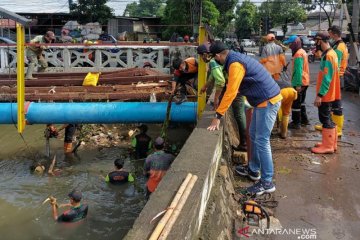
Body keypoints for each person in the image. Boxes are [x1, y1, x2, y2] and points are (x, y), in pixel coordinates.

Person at [208, 41, 282, 196]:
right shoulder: (233, 59)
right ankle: (254, 170)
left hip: (268, 100)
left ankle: (267, 182)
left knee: (262, 140)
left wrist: (218, 116)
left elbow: (231, 92)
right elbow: (229, 86)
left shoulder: (235, 64)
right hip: (262, 100)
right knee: (254, 135)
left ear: (217, 55)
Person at [197, 43, 247, 151]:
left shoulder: (213, 61)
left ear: (206, 54)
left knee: (239, 114)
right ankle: (245, 141)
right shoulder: (215, 61)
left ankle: (244, 143)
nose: (201, 58)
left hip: (234, 86)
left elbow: (220, 81)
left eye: (201, 55)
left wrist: (216, 99)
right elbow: (213, 76)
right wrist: (206, 86)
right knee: (240, 113)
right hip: (234, 84)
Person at [315, 25, 348, 137]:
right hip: (335, 76)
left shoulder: (338, 48)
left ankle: (335, 128)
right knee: (332, 105)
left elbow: (331, 70)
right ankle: (330, 126)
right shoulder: (338, 46)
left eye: (330, 34)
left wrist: (320, 94)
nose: (329, 36)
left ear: (334, 33)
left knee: (335, 105)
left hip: (336, 77)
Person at [311, 32, 338, 154]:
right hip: (330, 92)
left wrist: (319, 95)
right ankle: (331, 143)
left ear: (320, 41)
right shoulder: (330, 53)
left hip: (326, 94)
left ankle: (328, 146)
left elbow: (327, 78)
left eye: (316, 41)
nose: (315, 44)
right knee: (329, 118)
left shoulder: (329, 56)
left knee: (325, 119)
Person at [283, 35, 310, 129]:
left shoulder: (298, 54)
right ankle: (304, 120)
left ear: (295, 44)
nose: (289, 46)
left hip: (300, 81)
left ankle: (296, 123)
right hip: (305, 81)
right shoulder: (302, 52)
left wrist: (298, 84)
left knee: (296, 104)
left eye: (290, 44)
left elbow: (298, 70)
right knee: (302, 102)